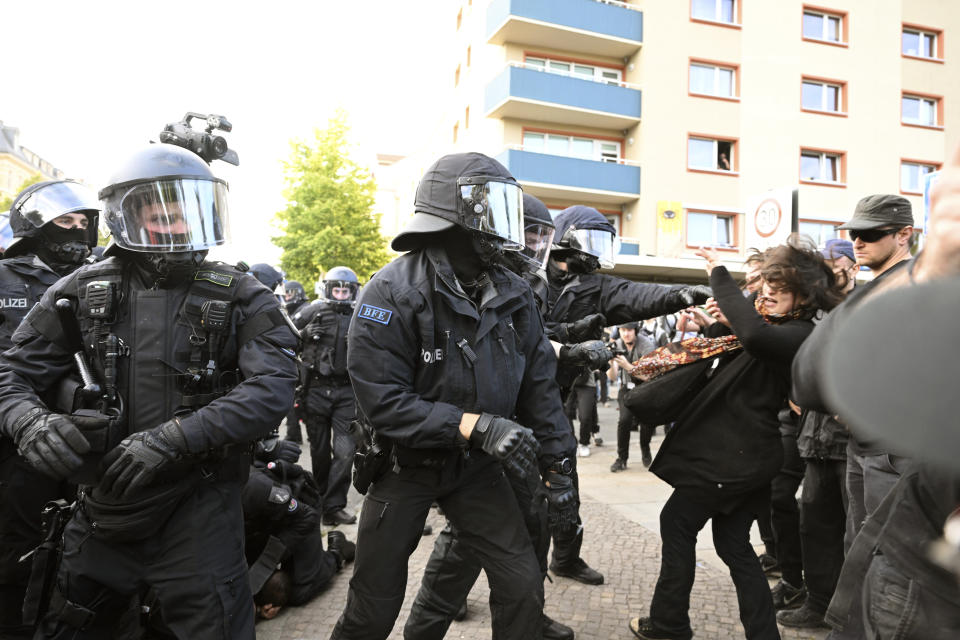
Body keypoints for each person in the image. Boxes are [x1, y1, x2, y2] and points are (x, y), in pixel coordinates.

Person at [0, 142, 299, 639]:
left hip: (199, 510)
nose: (175, 224)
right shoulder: (77, 289)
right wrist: (28, 421)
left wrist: (174, 438)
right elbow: (12, 373)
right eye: (159, 212)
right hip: (100, 508)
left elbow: (272, 387)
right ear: (127, 215)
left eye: (185, 212)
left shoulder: (243, 293)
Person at [329, 152, 576, 640]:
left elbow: (539, 390)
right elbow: (383, 402)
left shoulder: (515, 292)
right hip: (404, 465)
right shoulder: (390, 291)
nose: (508, 229)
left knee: (522, 582)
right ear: (452, 218)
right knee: (372, 606)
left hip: (476, 470)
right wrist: (475, 425)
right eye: (493, 211)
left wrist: (559, 469)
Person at [629, 237, 844, 640]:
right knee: (733, 546)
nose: (767, 294)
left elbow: (757, 340)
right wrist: (719, 324)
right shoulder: (777, 327)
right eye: (766, 288)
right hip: (744, 458)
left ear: (804, 297)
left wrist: (717, 271)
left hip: (732, 459)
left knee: (676, 522)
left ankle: (669, 625)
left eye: (779, 290)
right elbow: (744, 353)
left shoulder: (799, 334)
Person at [402, 192, 589, 640]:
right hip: (476, 437)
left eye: (545, 236)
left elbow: (534, 362)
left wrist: (557, 466)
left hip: (522, 433)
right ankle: (429, 624)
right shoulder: (473, 279)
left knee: (529, 534)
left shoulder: (531, 284)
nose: (536, 245)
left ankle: (529, 618)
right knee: (464, 543)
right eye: (529, 233)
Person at [544, 205, 711, 586]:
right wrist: (567, 338)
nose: (595, 251)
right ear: (566, 239)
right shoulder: (529, 278)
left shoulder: (594, 285)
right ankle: (469, 582)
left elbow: (637, 294)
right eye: (590, 240)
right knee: (497, 498)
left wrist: (683, 294)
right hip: (515, 395)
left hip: (557, 395)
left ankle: (566, 558)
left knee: (565, 486)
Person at [790, 194, 914, 638]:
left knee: (883, 552)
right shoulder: (876, 285)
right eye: (854, 234)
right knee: (857, 544)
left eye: (870, 234)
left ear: (904, 235)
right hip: (863, 441)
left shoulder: (913, 282)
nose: (858, 242)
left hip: (892, 445)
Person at [0, 180, 100, 638]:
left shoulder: (96, 280)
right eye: (66, 221)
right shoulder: (4, 276)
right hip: (15, 436)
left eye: (84, 223)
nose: (77, 232)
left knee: (79, 542)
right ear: (36, 226)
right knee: (18, 547)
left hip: (82, 434)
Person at [775, 238, 857, 628]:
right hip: (814, 440)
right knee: (815, 526)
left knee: (854, 535)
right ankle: (818, 604)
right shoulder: (819, 312)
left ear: (851, 267)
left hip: (850, 445)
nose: (832, 269)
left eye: (837, 262)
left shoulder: (864, 306)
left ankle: (847, 615)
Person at [291, 266, 361, 525]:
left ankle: (334, 506)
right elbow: (284, 338)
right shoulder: (311, 311)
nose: (341, 295)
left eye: (346, 290)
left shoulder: (359, 314)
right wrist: (304, 335)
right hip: (316, 391)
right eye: (337, 290)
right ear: (328, 289)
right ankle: (320, 503)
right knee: (319, 453)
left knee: (345, 453)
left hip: (346, 392)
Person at [242, 460, 355, 619]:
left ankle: (337, 551)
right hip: (261, 526)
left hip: (300, 512)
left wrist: (258, 577)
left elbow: (306, 516)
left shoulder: (253, 487)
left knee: (300, 590)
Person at [610, 321, 657, 471]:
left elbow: (650, 376)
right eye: (623, 330)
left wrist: (627, 366)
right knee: (624, 420)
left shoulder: (646, 344)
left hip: (646, 387)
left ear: (635, 330)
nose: (626, 334)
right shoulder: (616, 344)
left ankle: (645, 447)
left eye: (629, 330)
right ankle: (621, 458)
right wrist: (611, 362)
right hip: (627, 387)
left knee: (647, 421)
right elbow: (612, 377)